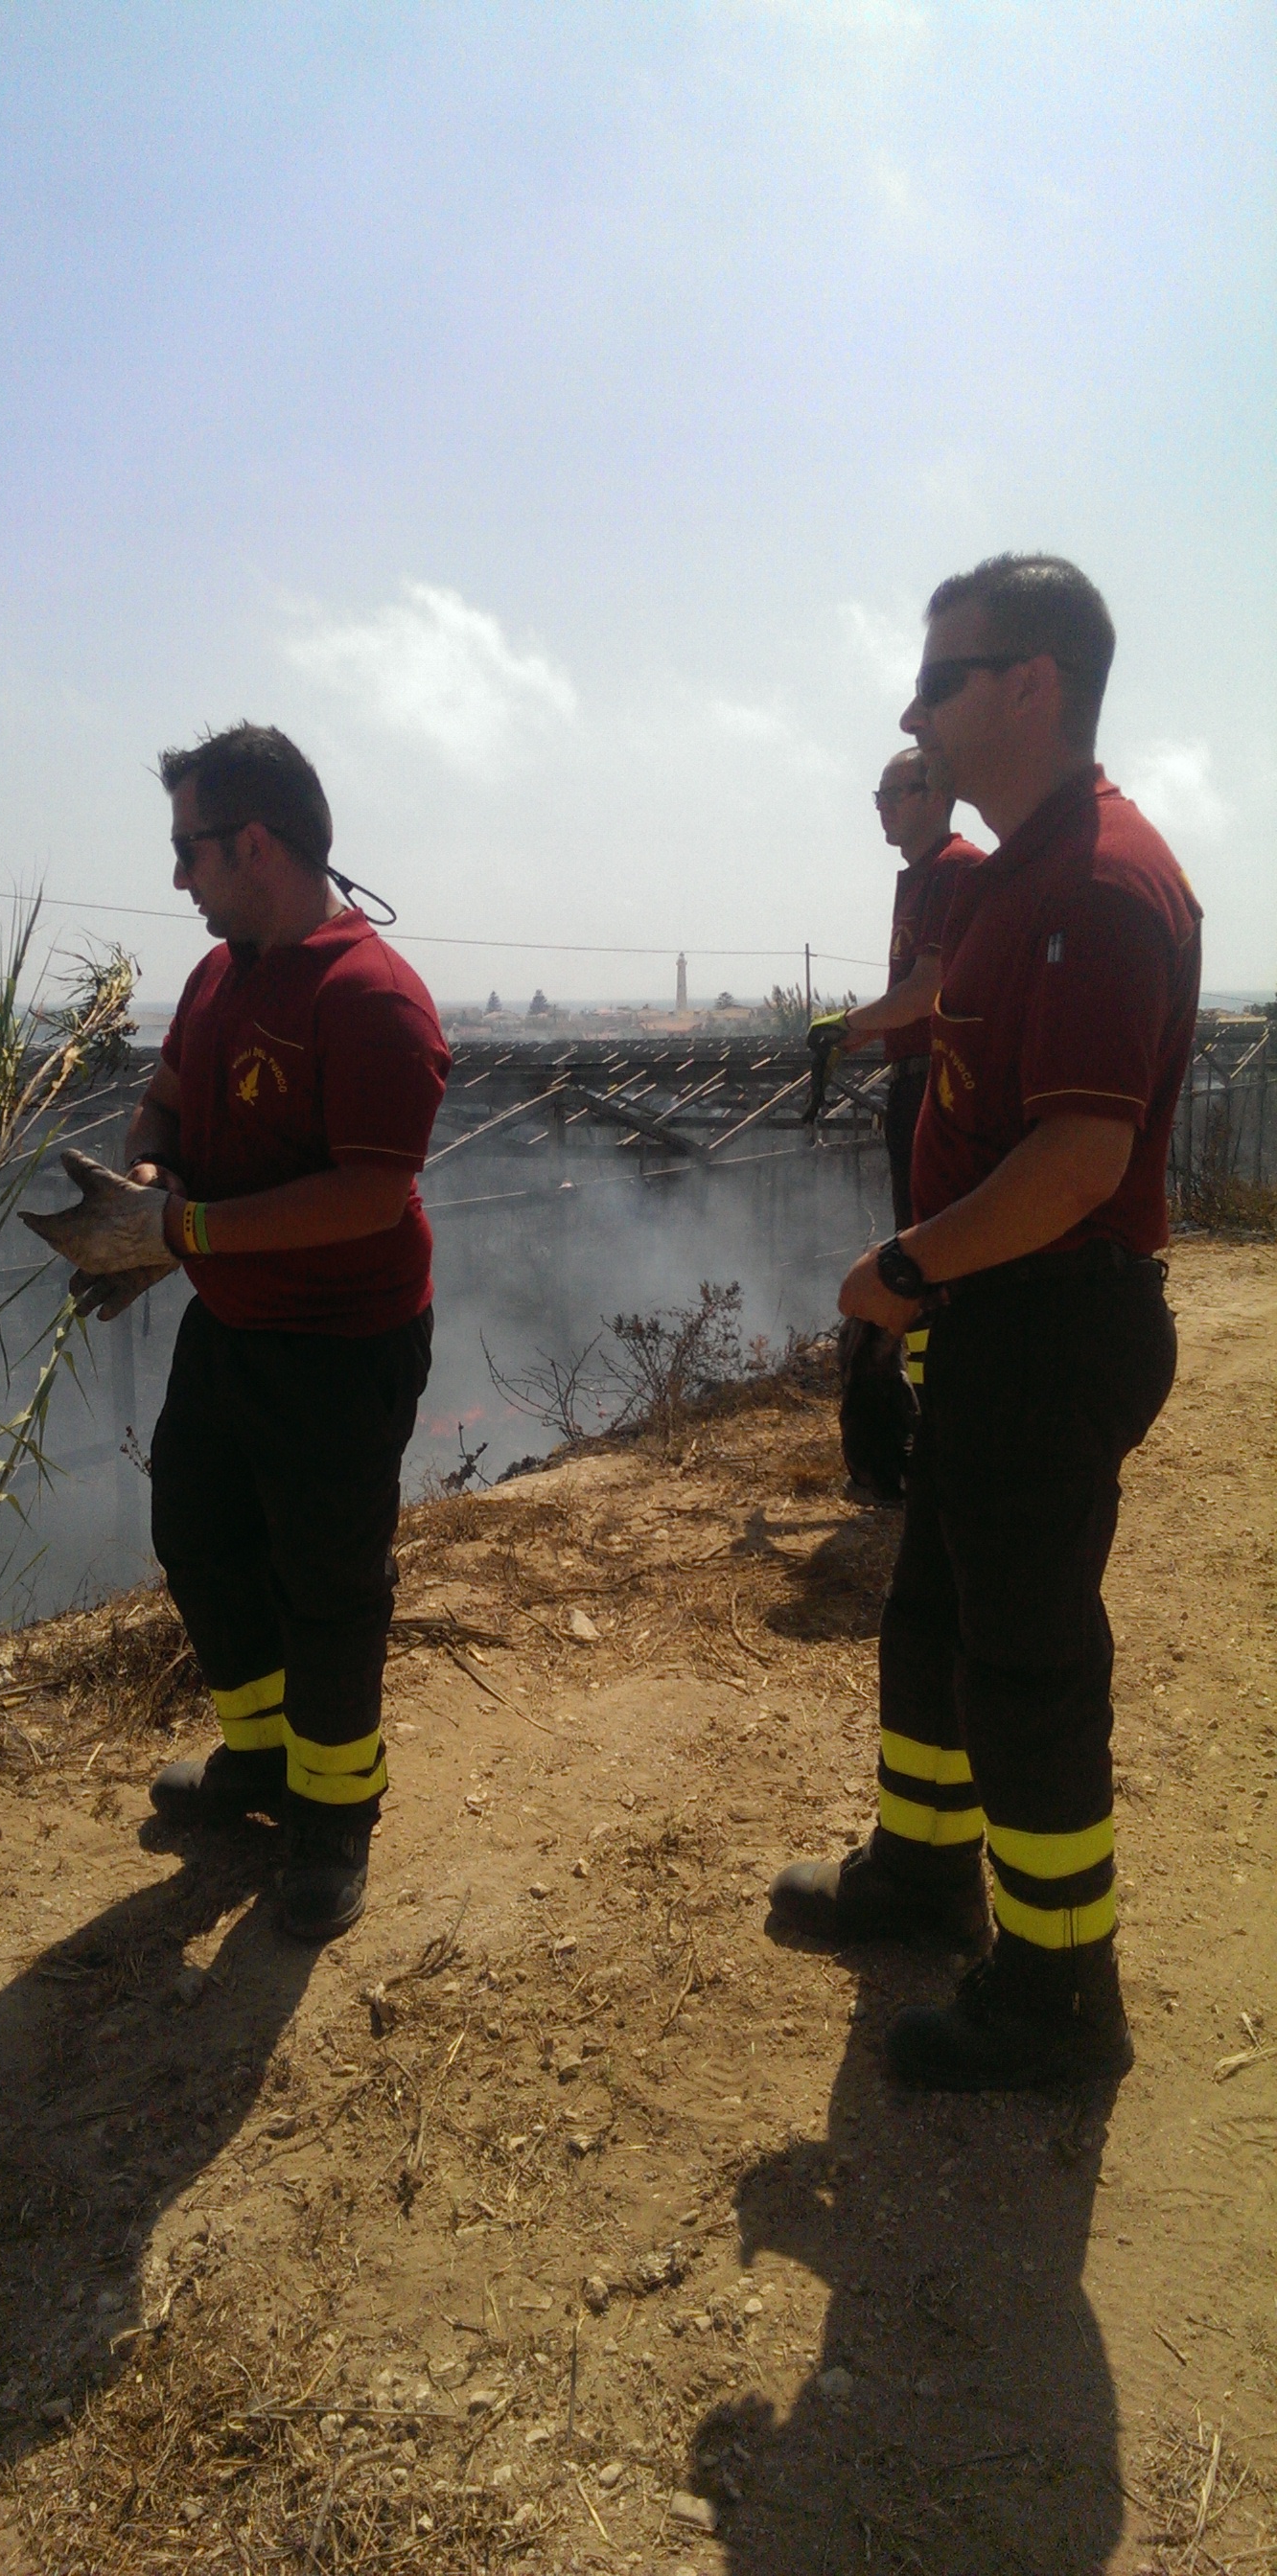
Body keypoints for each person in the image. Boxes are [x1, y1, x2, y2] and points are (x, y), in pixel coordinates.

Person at [769, 555, 1201, 2089]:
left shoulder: (1098, 881)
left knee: (1025, 1659)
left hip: (1048, 1319)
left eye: (940, 677)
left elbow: (1078, 1161)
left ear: (1033, 684)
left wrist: (902, 1271)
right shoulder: (1016, 874)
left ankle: (1061, 1995)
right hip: (995, 1315)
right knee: (938, 1618)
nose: (913, 708)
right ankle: (924, 1875)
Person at [24, 724, 449, 1942]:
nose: (178, 879)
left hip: (341, 1341)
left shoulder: (368, 998)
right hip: (235, 1324)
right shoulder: (220, 975)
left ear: (252, 842)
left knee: (326, 1581)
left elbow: (368, 1193)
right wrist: (150, 1187)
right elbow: (167, 1096)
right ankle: (260, 1761)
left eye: (188, 850)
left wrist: (180, 1234)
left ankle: (332, 1819)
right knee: (198, 1532)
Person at [806, 752, 984, 1228]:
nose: (882, 807)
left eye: (894, 794)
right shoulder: (925, 875)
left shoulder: (955, 868)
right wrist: (862, 1035)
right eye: (878, 796)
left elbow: (924, 992)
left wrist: (848, 1022)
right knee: (917, 1226)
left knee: (934, 1237)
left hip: (946, 1084)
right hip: (919, 1082)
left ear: (938, 795)